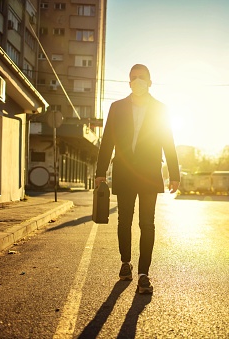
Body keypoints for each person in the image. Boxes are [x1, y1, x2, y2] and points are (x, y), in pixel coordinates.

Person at [95, 64, 180, 294]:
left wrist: (175, 174)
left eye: (142, 77)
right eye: (133, 77)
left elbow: (168, 141)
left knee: (147, 223)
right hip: (123, 172)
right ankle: (125, 263)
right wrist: (100, 172)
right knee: (124, 220)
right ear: (128, 82)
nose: (137, 81)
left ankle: (144, 274)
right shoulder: (117, 107)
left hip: (149, 173)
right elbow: (107, 141)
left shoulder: (160, 109)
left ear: (150, 82)